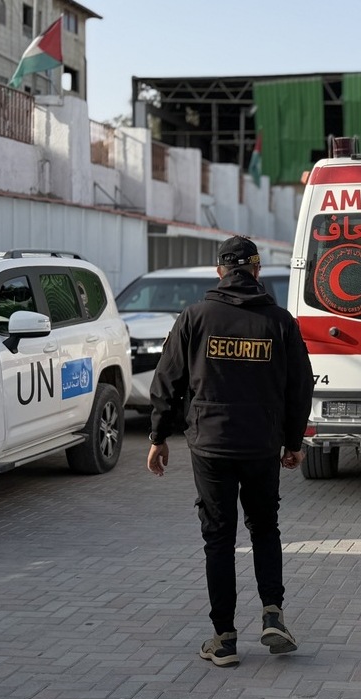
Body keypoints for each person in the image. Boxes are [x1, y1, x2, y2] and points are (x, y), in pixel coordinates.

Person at [147, 235, 315, 666]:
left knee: (219, 540)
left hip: (210, 446)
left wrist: (157, 436)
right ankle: (273, 614)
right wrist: (292, 443)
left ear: (219, 271)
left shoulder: (195, 318)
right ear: (256, 270)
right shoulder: (280, 322)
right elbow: (300, 386)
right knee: (264, 528)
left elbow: (168, 381)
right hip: (261, 445)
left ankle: (224, 638)